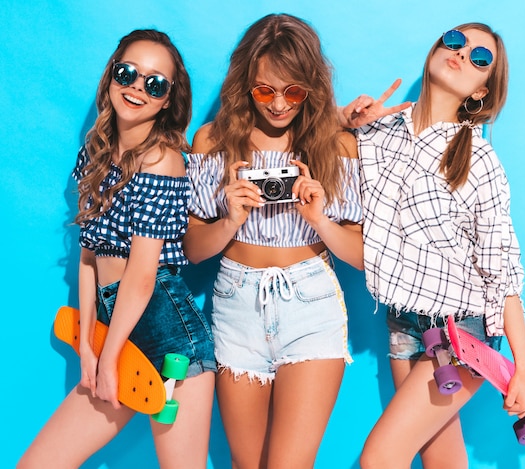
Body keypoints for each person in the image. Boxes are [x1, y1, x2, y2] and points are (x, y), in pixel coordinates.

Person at [18, 29, 216, 469]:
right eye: (127, 73)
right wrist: (90, 346)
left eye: (155, 83)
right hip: (113, 328)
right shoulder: (95, 153)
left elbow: (143, 275)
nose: (137, 88)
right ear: (111, 75)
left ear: (168, 99)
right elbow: (88, 256)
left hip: (168, 338)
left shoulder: (161, 160)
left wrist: (108, 358)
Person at [341, 23, 525, 468]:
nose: (463, 54)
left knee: (380, 457)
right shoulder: (376, 130)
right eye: (455, 41)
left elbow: (501, 269)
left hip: (461, 331)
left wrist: (523, 368)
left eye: (480, 58)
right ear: (435, 49)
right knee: (441, 455)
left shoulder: (479, 159)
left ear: (481, 92)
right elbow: (310, 135)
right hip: (402, 324)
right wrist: (343, 119)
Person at [183, 13, 363, 469]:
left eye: (294, 91)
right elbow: (191, 250)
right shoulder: (212, 142)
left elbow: (363, 258)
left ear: (311, 88)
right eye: (266, 90)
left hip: (311, 302)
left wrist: (319, 220)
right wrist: (229, 219)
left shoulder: (337, 145)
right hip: (235, 303)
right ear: (246, 83)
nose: (279, 104)